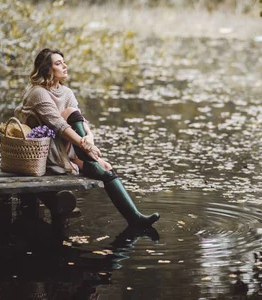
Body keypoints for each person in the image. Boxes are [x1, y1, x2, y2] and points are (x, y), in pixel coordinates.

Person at [15, 48, 159, 227]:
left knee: (104, 166)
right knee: (71, 117)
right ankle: (92, 162)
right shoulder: (38, 92)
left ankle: (135, 218)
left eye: (63, 61)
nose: (65, 66)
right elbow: (58, 125)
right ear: (47, 70)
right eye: (58, 63)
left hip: (67, 148)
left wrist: (89, 137)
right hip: (43, 152)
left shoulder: (66, 92)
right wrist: (86, 147)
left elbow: (80, 120)